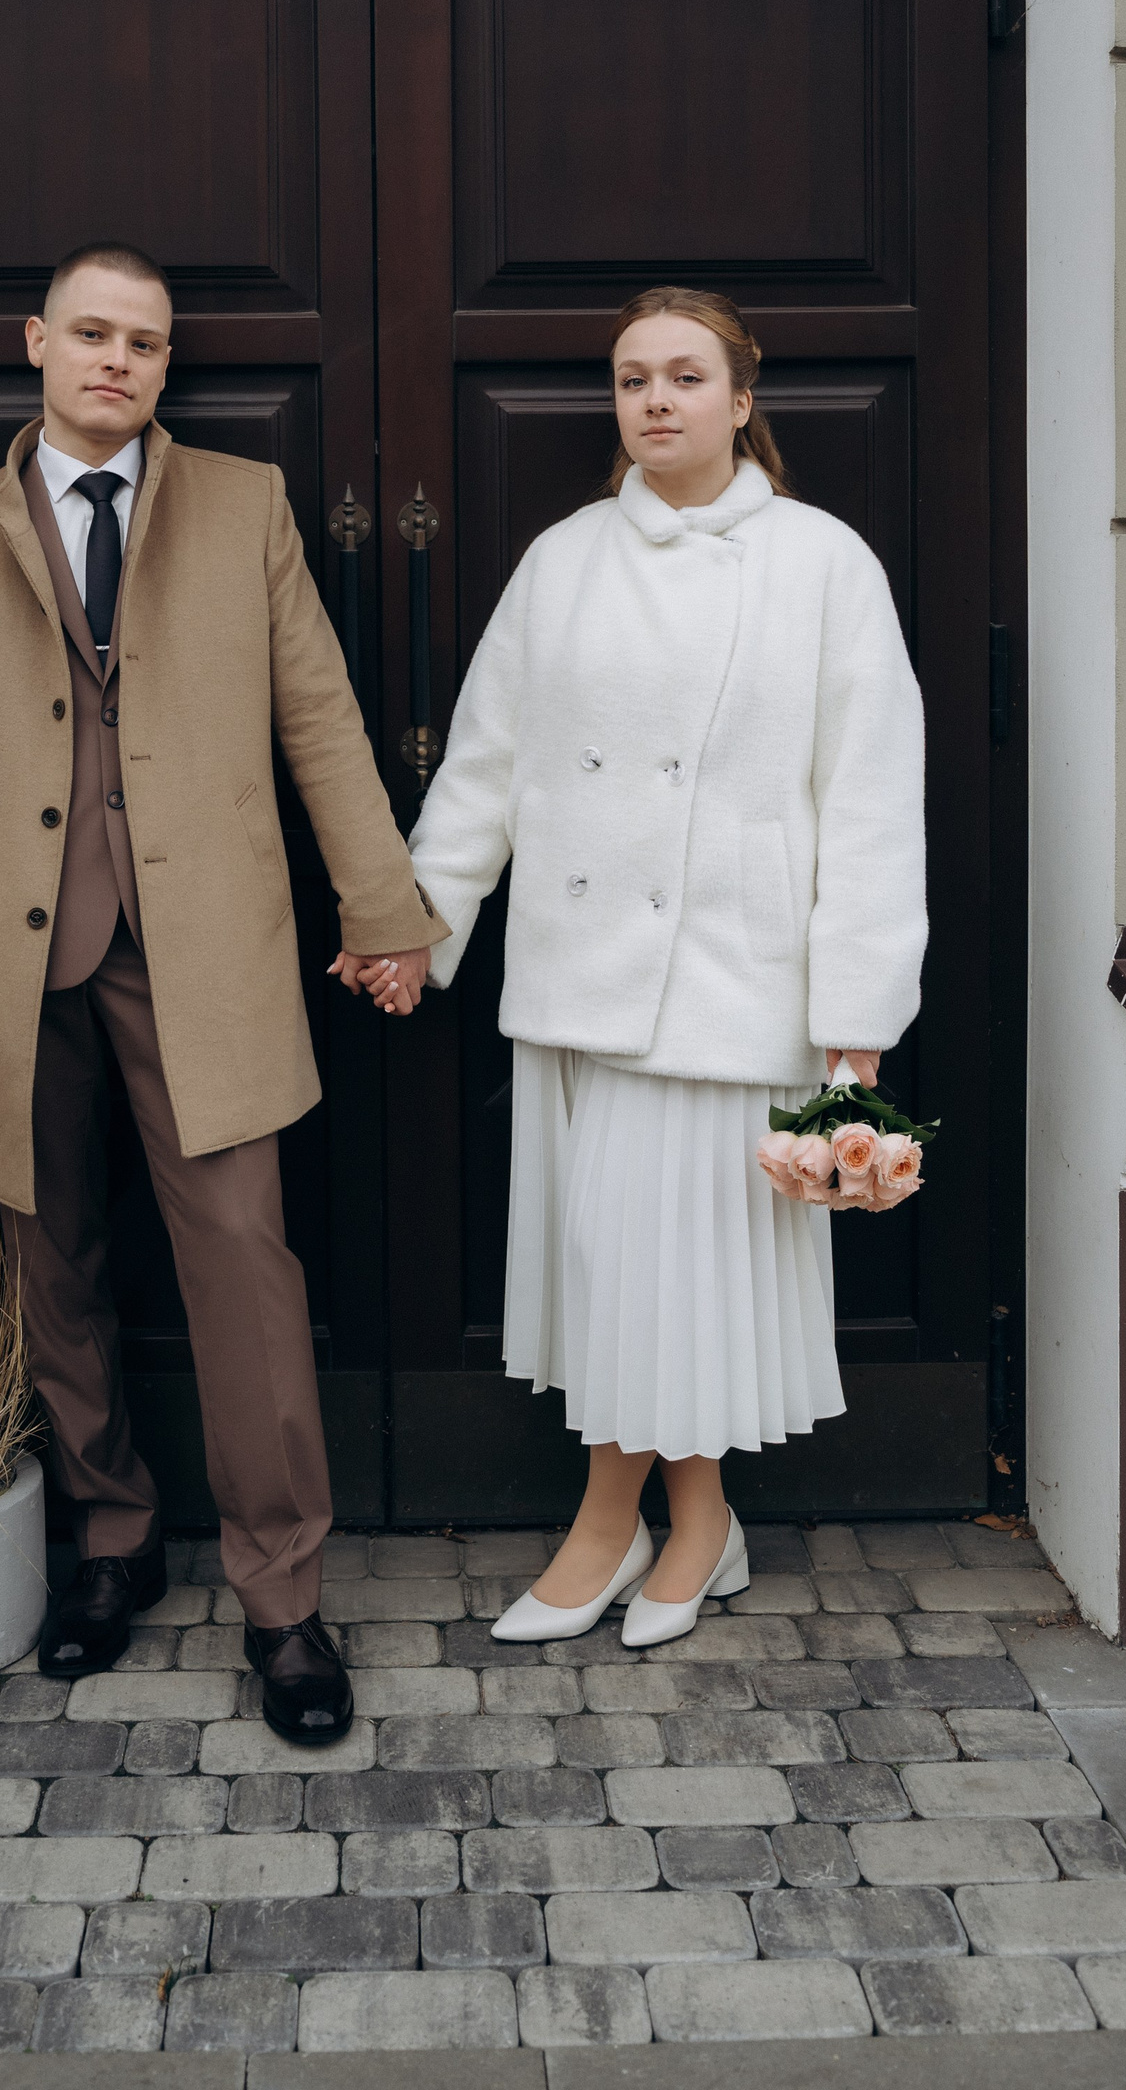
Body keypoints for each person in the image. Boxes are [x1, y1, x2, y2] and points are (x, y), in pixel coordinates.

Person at [0, 241, 440, 1739]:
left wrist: (384, 908)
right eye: (93, 334)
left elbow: (320, 716)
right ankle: (112, 1539)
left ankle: (284, 1601)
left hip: (207, 948)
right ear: (37, 342)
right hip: (8, 960)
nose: (118, 360)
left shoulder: (244, 508)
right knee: (50, 1260)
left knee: (243, 1262)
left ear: (166, 365)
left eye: (146, 342)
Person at [399, 287, 925, 1646]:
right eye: (633, 377)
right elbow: (489, 763)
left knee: (675, 1280)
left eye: (686, 375)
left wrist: (857, 1019)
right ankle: (692, 1519)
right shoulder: (564, 560)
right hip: (584, 976)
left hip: (735, 983)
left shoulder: (823, 563)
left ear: (742, 399)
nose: (654, 399)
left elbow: (872, 801)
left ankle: (617, 1525)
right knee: (617, 1276)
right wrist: (423, 924)